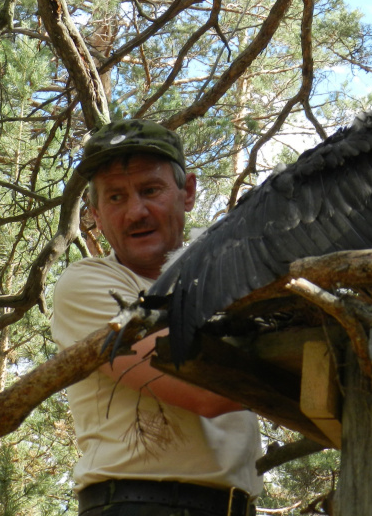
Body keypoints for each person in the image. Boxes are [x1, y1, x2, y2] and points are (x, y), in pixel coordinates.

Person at [51, 119, 263, 516]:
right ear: (95, 214)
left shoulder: (225, 268)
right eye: (115, 198)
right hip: (138, 505)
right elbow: (208, 390)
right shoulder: (88, 284)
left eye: (150, 190)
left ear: (188, 193)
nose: (136, 212)